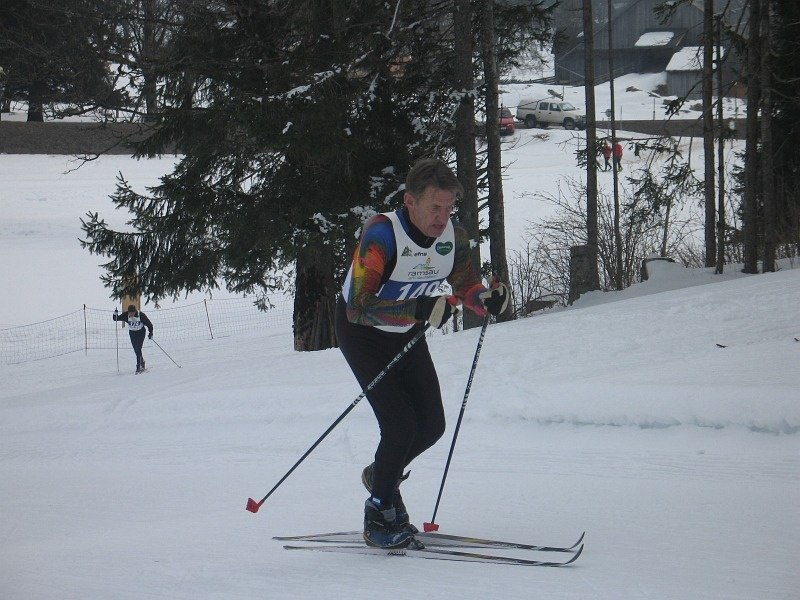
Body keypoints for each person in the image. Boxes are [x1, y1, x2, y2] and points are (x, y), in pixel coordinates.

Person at [334, 157, 510, 549]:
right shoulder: (383, 234)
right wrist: (419, 309)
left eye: (449, 208)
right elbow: (358, 307)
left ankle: (381, 473)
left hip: (406, 332)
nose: (442, 217)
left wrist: (485, 298)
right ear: (410, 201)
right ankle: (379, 512)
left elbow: (465, 284)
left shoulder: (453, 236)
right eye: (434, 207)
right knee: (399, 423)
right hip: (363, 335)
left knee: (431, 426)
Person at [113, 304, 154, 373]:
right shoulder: (126, 315)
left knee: (138, 348)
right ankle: (142, 361)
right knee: (136, 349)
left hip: (141, 332)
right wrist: (115, 314)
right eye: (130, 313)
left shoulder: (141, 315)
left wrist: (150, 333)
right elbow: (116, 319)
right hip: (132, 333)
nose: (131, 314)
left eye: (132, 313)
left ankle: (138, 367)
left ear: (135, 312)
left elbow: (149, 324)